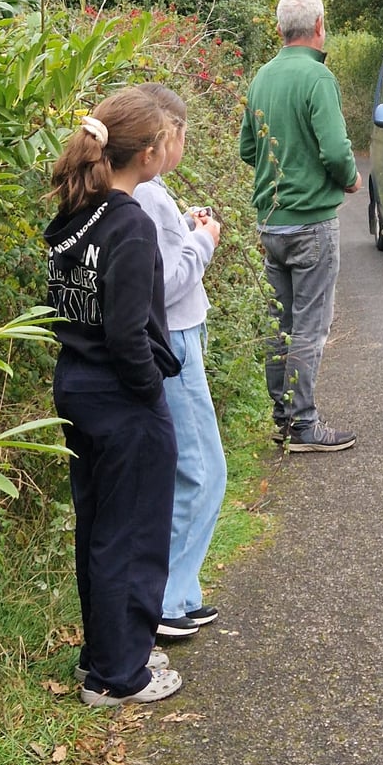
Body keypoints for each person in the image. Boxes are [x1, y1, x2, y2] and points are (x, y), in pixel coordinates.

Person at [44, 87, 183, 707]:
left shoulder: (76, 211)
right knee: (132, 536)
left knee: (99, 528)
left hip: (76, 384)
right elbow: (129, 333)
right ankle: (119, 676)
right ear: (149, 154)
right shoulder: (131, 225)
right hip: (124, 399)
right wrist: (153, 395)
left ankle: (100, 656)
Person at [239, 0, 362, 452]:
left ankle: (283, 418)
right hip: (312, 222)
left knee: (281, 324)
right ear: (319, 26)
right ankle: (305, 424)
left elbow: (248, 149)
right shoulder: (317, 77)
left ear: (278, 31)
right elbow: (334, 149)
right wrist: (348, 178)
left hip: (271, 223)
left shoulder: (261, 78)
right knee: (311, 325)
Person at [133, 83, 227, 640]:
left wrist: (188, 231)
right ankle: (167, 601)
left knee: (190, 467)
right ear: (165, 137)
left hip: (183, 337)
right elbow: (161, 285)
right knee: (203, 470)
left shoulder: (150, 189)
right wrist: (205, 242)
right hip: (176, 342)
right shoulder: (144, 196)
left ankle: (179, 593)